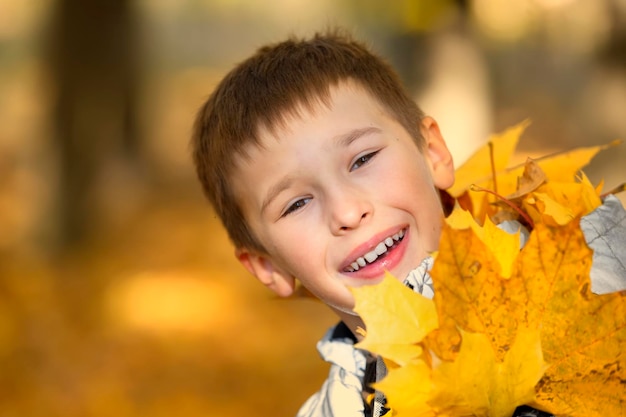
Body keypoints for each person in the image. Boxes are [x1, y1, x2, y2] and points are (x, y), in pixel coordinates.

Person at [190, 29, 626, 417]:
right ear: (269, 268)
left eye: (362, 159)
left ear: (433, 153)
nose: (346, 212)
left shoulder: (593, 264)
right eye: (296, 204)